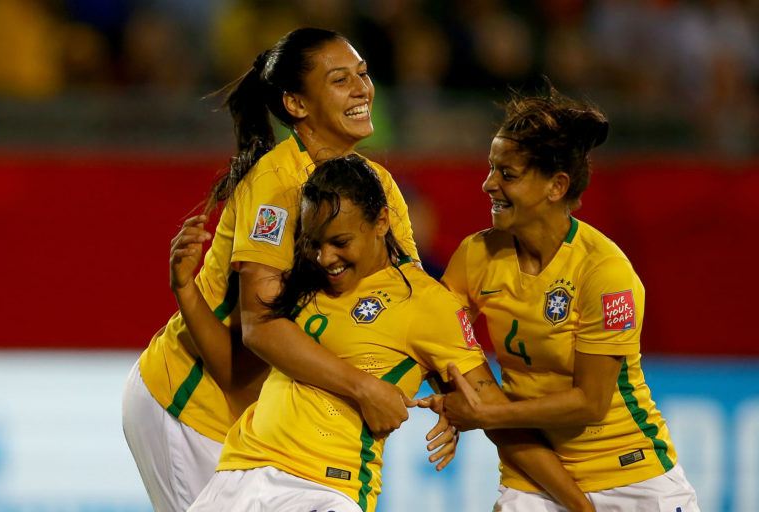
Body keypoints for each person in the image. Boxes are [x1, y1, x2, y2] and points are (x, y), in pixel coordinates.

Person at [121, 28, 424, 511]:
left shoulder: (378, 186)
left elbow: (415, 297)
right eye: (340, 79)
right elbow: (255, 340)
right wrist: (364, 388)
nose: (362, 89)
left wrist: (456, 389)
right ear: (296, 105)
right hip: (196, 409)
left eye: (363, 75)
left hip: (268, 423)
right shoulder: (278, 188)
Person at [187, 154, 595, 512]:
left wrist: (578, 504)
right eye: (315, 242)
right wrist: (184, 288)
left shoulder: (426, 302)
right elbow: (242, 350)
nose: (325, 257)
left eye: (340, 241)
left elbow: (494, 414)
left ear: (382, 221)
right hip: (238, 472)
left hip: (323, 489)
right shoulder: (305, 278)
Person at [436, 84, 700, 511]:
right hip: (531, 479)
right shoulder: (475, 256)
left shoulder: (604, 271)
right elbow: (437, 338)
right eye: (491, 168)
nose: (488, 184)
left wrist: (485, 414)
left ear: (556, 186)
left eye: (508, 174)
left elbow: (591, 403)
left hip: (632, 475)